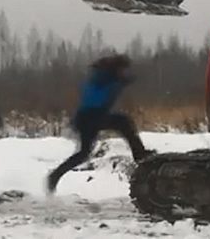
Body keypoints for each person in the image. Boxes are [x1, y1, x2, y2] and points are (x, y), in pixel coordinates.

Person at [47, 54, 151, 193]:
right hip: (90, 117)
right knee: (123, 122)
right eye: (124, 70)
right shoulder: (103, 77)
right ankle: (140, 155)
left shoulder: (106, 77)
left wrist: (122, 81)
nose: (125, 72)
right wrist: (120, 81)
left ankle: (54, 176)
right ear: (117, 68)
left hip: (90, 117)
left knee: (84, 153)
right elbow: (98, 96)